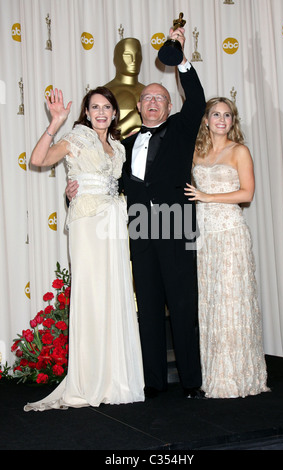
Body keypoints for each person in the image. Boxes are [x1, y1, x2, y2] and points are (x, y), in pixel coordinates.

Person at [67, 27, 206, 399]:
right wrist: (73, 192)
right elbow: (103, 182)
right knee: (147, 307)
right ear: (138, 107)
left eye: (159, 99)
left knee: (181, 305)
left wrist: (181, 57)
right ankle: (154, 383)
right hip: (140, 231)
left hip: (176, 227)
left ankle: (192, 382)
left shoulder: (181, 128)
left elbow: (197, 98)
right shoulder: (122, 145)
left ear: (169, 106)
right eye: (147, 99)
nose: (153, 103)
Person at [24, 86, 145, 411]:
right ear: (87, 113)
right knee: (90, 296)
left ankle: (113, 377)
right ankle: (89, 378)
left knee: (113, 296)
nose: (102, 112)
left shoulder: (119, 148)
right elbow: (38, 160)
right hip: (86, 222)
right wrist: (55, 123)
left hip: (113, 223)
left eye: (107, 107)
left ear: (114, 113)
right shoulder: (76, 138)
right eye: (95, 107)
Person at [185, 97, 270, 399]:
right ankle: (213, 374)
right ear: (206, 120)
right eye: (216, 115)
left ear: (233, 121)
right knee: (211, 303)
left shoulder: (239, 151)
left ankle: (237, 376)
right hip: (204, 237)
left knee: (232, 302)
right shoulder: (195, 152)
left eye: (228, 115)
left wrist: (207, 197)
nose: (222, 120)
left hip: (231, 233)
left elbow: (247, 193)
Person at [105, 37, 145, 138]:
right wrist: (133, 120)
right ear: (116, 59)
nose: (134, 60)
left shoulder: (150, 93)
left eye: (138, 55)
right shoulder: (104, 93)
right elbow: (99, 135)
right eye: (128, 55)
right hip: (114, 152)